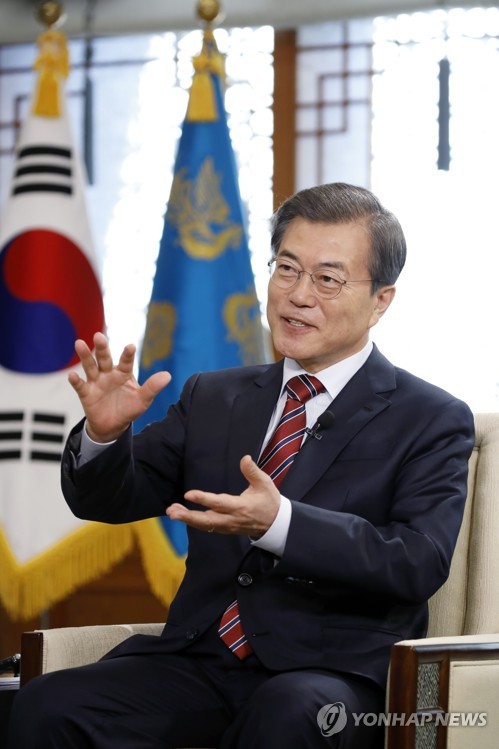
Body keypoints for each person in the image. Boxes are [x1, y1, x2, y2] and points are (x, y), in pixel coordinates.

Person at [8, 182, 474, 749]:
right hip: (199, 661)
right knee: (48, 704)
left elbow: (417, 561)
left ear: (381, 300)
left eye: (327, 279)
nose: (298, 295)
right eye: (287, 269)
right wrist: (105, 437)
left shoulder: (430, 417)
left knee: (289, 713)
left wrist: (281, 524)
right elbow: (109, 499)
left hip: (332, 676)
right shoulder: (214, 396)